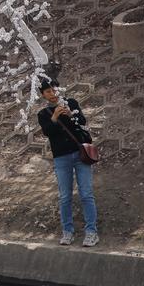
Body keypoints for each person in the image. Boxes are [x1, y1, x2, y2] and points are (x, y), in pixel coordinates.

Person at [37, 77, 98, 247]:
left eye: (54, 89)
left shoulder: (71, 103)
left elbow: (82, 122)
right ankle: (67, 232)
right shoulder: (43, 114)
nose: (52, 93)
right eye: (48, 91)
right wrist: (55, 117)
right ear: (43, 95)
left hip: (80, 154)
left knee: (86, 193)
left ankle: (92, 232)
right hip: (61, 158)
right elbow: (48, 132)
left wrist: (71, 115)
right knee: (65, 196)